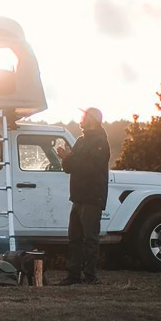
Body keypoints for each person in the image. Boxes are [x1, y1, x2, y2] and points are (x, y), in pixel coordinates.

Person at [54, 107, 111, 285]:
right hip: (78, 197)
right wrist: (66, 158)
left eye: (84, 116)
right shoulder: (80, 141)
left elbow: (91, 168)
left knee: (90, 239)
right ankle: (73, 276)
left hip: (92, 197)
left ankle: (90, 276)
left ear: (93, 120)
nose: (81, 119)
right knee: (75, 238)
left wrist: (71, 157)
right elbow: (70, 168)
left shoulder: (101, 142)